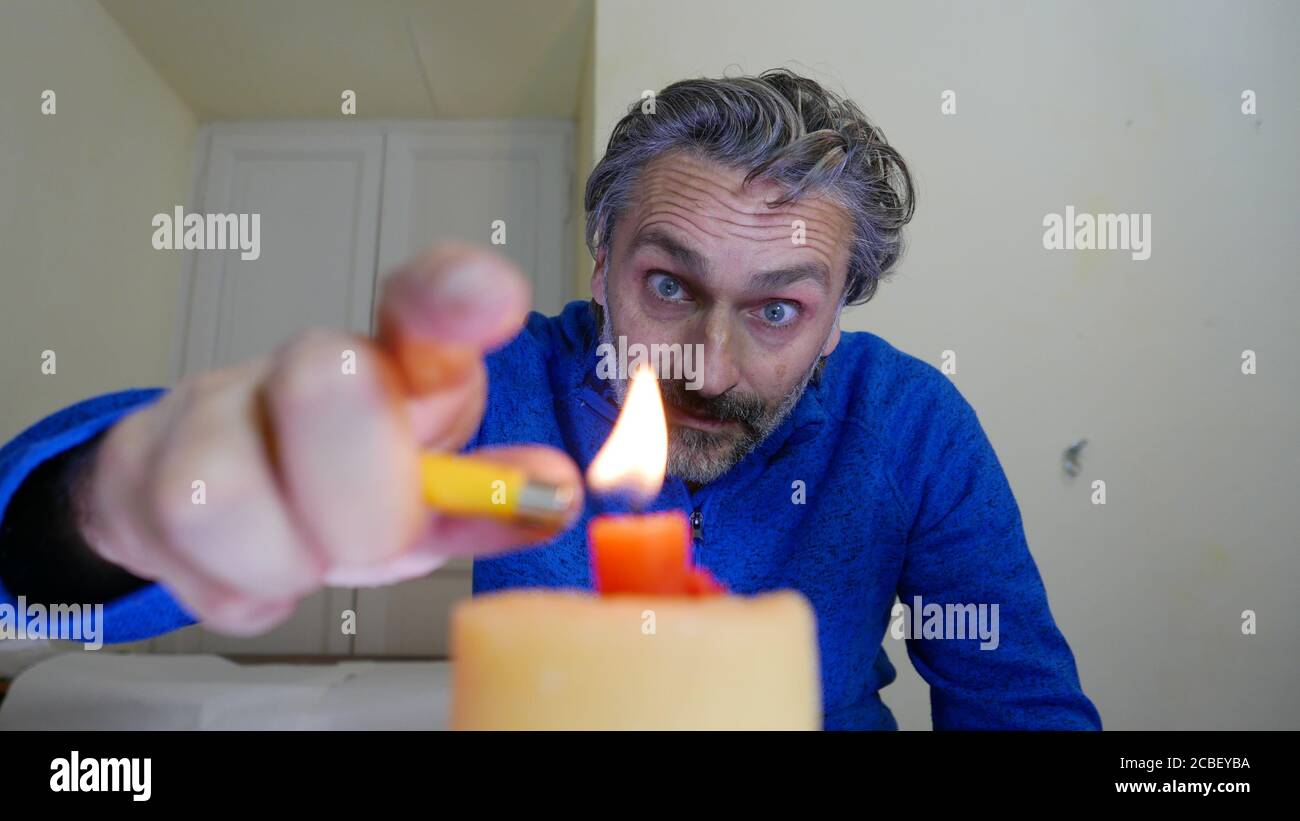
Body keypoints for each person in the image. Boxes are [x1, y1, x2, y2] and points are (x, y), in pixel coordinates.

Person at [0, 69, 1101, 730]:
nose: (705, 368)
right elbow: (25, 585)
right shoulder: (496, 382)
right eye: (666, 285)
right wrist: (112, 505)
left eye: (777, 310)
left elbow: (1021, 707)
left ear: (838, 311)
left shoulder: (912, 425)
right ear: (599, 263)